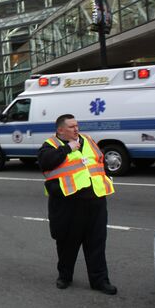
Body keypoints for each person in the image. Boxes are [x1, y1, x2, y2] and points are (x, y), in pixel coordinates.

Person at [38, 114, 117, 295]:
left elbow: (99, 160)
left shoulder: (88, 140)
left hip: (95, 201)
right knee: (67, 244)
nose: (76, 129)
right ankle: (64, 276)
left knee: (96, 244)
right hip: (69, 204)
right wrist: (67, 148)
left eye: (77, 125)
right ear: (60, 130)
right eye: (71, 127)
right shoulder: (51, 145)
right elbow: (45, 163)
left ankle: (100, 281)